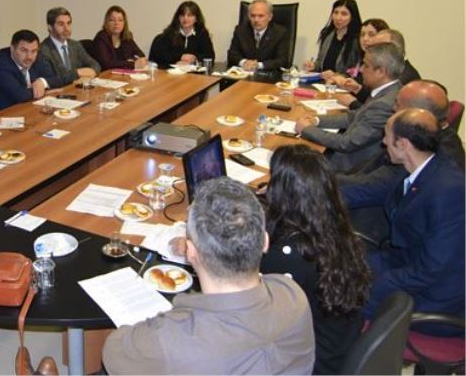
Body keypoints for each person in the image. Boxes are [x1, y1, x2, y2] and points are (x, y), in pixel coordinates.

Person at [102, 177, 314, 375]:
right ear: (265, 242)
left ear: (190, 252)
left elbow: (113, 350)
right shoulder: (292, 294)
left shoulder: (168, 341)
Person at [260, 145, 371, 375]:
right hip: (335, 345)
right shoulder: (334, 229)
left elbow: (252, 307)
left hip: (311, 363)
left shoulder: (290, 256)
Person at [347, 109, 464, 325]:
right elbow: (363, 190)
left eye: (386, 136)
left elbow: (431, 270)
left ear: (403, 144)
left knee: (340, 302)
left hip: (432, 296)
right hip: (402, 264)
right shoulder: (418, 168)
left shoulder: (449, 192)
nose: (383, 142)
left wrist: (377, 284)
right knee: (336, 269)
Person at [339, 80, 465, 243]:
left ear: (417, 116)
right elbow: (366, 172)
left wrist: (314, 183)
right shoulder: (425, 139)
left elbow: (363, 189)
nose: (393, 108)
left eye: (397, 104)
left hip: (372, 226)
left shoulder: (421, 153)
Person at [296, 42, 404, 174]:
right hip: (347, 157)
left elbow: (347, 143)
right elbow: (353, 116)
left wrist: (307, 129)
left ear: (381, 72)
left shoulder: (384, 104)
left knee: (293, 160)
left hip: (347, 168)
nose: (361, 70)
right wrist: (317, 120)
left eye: (366, 65)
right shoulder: (388, 91)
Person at [0, 29, 63, 112]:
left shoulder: (36, 56)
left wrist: (42, 82)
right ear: (12, 48)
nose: (29, 56)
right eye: (24, 50)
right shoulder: (0, 65)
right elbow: (20, 96)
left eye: (34, 51)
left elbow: (57, 79)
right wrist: (43, 91)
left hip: (25, 108)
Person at [337, 28, 421, 109]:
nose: (374, 50)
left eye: (380, 47)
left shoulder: (401, 76)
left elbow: (380, 111)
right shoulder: (395, 68)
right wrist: (358, 89)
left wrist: (353, 104)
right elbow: (377, 97)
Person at [38, 6, 100, 84]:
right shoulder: (43, 50)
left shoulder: (75, 45)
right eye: (61, 24)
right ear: (50, 27)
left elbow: (95, 65)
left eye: (68, 23)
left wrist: (90, 73)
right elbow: (54, 79)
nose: (66, 28)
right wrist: (78, 72)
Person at [226, 0, 290, 72]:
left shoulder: (280, 33)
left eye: (260, 16)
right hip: (244, 73)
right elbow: (232, 54)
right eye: (253, 16)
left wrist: (258, 65)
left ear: (270, 17)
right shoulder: (240, 30)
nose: (256, 20)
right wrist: (244, 62)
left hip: (268, 75)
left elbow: (282, 60)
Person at [323, 17, 389, 87]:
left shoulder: (385, 64)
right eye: (362, 35)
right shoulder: (360, 58)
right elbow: (351, 76)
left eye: (371, 35)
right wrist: (337, 77)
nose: (365, 39)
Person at [148, 0, 215, 68]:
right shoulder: (169, 34)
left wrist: (194, 59)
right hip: (171, 72)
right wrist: (180, 57)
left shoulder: (202, 34)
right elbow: (160, 56)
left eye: (189, 15)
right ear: (178, 17)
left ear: (196, 19)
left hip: (194, 73)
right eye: (182, 15)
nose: (185, 18)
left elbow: (210, 57)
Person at [306, 0, 362, 75]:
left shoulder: (358, 39)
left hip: (342, 82)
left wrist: (335, 76)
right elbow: (320, 63)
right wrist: (313, 66)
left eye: (344, 14)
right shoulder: (326, 33)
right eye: (336, 13)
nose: (338, 18)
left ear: (352, 17)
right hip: (323, 80)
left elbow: (356, 72)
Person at [91, 5, 147, 70]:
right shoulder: (101, 37)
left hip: (123, 74)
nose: (116, 23)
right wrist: (131, 64)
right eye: (112, 20)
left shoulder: (127, 37)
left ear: (124, 23)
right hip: (105, 74)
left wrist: (134, 60)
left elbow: (140, 55)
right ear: (107, 23)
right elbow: (106, 64)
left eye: (120, 20)